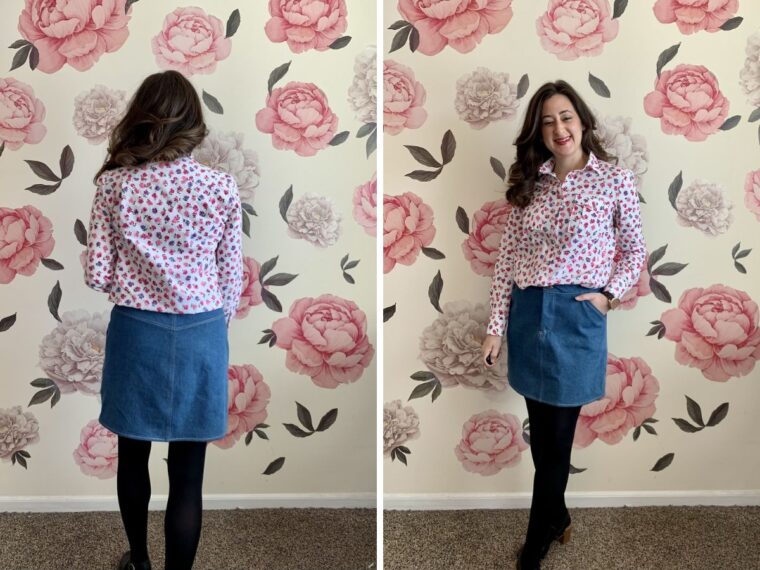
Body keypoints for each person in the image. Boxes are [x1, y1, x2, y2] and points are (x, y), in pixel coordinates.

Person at [481, 80, 646, 570]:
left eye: (566, 116)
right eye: (548, 120)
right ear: (539, 131)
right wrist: (495, 325)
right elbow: (507, 260)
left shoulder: (613, 180)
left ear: (582, 122)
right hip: (530, 315)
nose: (559, 128)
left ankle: (539, 535)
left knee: (559, 437)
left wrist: (607, 296)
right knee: (544, 435)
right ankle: (557, 516)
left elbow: (634, 249)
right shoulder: (531, 183)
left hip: (578, 315)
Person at [85, 70, 243, 570]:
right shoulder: (220, 187)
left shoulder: (114, 184)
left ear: (142, 121)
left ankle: (140, 563)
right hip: (202, 334)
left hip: (137, 330)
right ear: (193, 124)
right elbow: (230, 280)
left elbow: (96, 272)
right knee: (188, 472)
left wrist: (137, 288)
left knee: (132, 455)